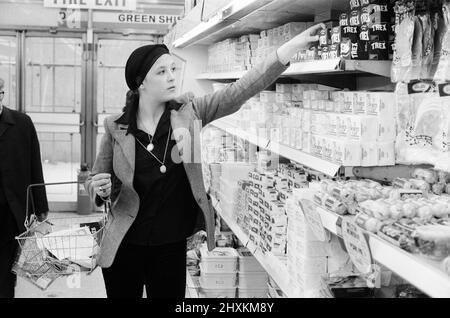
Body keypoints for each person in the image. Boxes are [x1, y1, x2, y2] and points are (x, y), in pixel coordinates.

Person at [86, 23, 325, 298]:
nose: (172, 77)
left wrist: (287, 50)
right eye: (161, 72)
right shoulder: (115, 127)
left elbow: (239, 91)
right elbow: (96, 179)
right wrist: (99, 188)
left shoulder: (190, 114)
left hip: (170, 246)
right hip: (124, 244)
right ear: (141, 82)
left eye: (173, 69)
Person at [0, 77, 48, 298]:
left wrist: (40, 208)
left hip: (11, 212)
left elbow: (34, 166)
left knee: (6, 276)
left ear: (2, 94)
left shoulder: (21, 124)